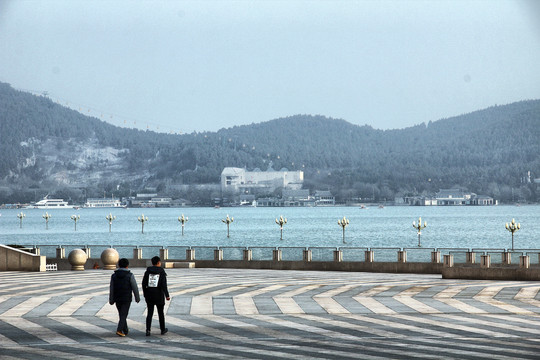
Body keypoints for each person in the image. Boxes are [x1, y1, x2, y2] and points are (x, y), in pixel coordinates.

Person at [109, 258, 140, 337]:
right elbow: (134, 287)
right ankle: (119, 330)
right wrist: (137, 297)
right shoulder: (130, 275)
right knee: (123, 314)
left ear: (119, 265)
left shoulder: (114, 275)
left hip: (117, 297)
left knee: (122, 314)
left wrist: (111, 299)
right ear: (127, 265)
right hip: (126, 298)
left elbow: (111, 288)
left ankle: (125, 330)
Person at [142, 256, 170, 336]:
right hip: (159, 294)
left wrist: (145, 293)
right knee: (160, 313)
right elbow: (164, 285)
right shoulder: (161, 272)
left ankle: (148, 330)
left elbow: (144, 283)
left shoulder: (147, 271)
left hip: (149, 294)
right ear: (158, 262)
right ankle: (162, 329)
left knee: (150, 313)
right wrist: (167, 295)